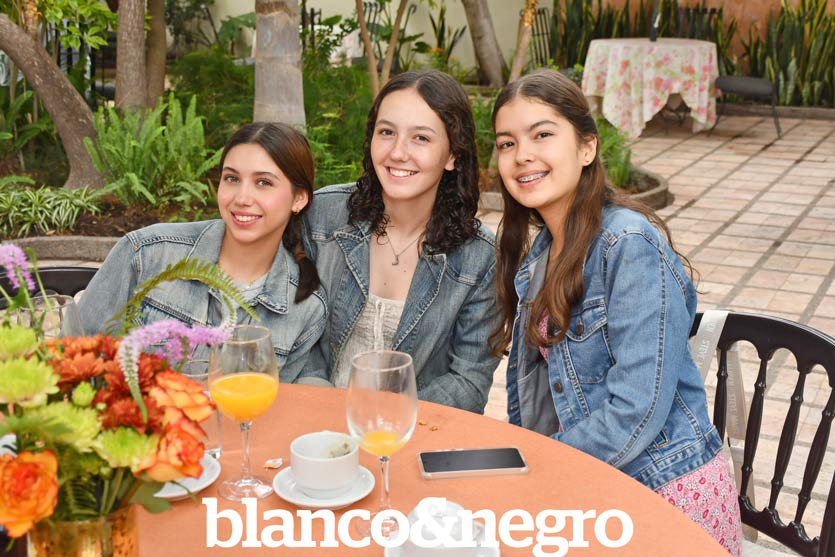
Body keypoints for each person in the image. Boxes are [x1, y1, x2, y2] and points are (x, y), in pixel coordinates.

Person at [490, 69, 742, 554]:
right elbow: (539, 404)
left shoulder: (628, 244)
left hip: (664, 491)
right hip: (593, 481)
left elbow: (637, 409)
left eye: (542, 135)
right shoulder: (541, 256)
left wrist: (538, 465)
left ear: (587, 147)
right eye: (506, 143)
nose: (522, 155)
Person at [300, 70, 499, 413]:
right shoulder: (322, 217)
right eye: (387, 132)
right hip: (315, 419)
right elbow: (293, 334)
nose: (397, 152)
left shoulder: (479, 257)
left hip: (414, 430)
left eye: (421, 138)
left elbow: (468, 380)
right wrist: (329, 411)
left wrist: (385, 420)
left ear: (452, 155)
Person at [78, 122, 327, 383]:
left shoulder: (306, 308)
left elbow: (292, 397)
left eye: (263, 182)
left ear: (299, 198)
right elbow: (72, 356)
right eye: (232, 179)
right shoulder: (146, 253)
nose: (242, 198)